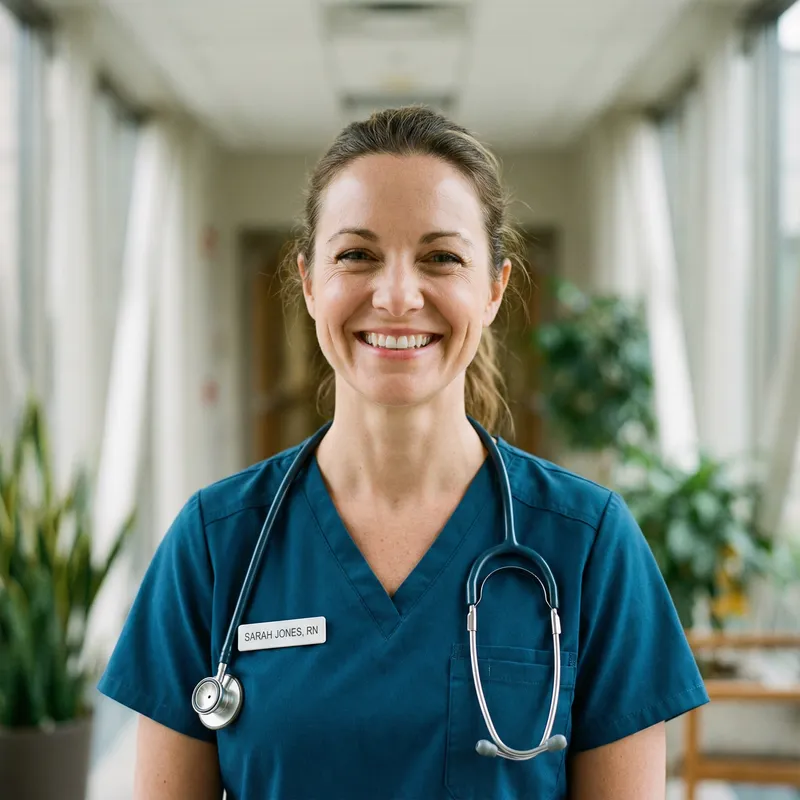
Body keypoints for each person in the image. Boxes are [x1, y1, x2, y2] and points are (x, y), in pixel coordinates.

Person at [98, 105, 709, 800]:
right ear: (308, 280)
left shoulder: (589, 545)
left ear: (493, 289)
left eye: (440, 258)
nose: (395, 296)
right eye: (356, 255)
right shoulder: (214, 546)